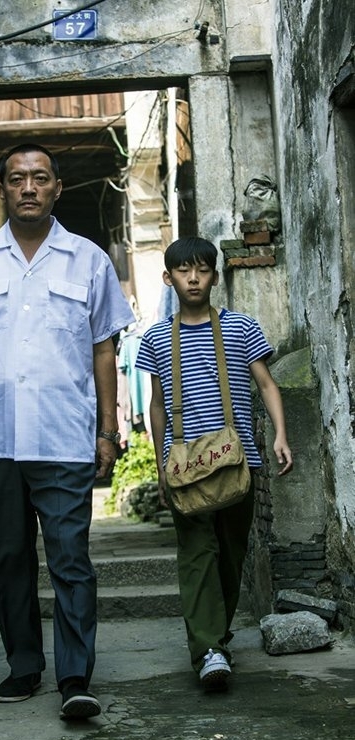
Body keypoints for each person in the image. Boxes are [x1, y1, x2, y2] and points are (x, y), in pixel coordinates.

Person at [0, 143, 135, 719]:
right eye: (17, 179)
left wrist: (107, 430)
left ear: (57, 188)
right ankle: (23, 664)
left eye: (40, 178)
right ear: (3, 189)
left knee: (71, 558)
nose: (29, 188)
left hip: (64, 436)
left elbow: (103, 350)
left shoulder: (88, 259)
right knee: (8, 557)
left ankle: (74, 675)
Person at [135, 236, 292, 690]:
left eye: (202, 270)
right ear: (169, 278)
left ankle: (216, 636)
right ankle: (207, 649)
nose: (193, 278)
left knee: (231, 554)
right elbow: (158, 407)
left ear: (214, 277)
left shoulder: (242, 328)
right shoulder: (156, 338)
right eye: (184, 271)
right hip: (185, 468)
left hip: (238, 463)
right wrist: (161, 461)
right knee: (197, 554)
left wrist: (280, 434)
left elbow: (265, 384)